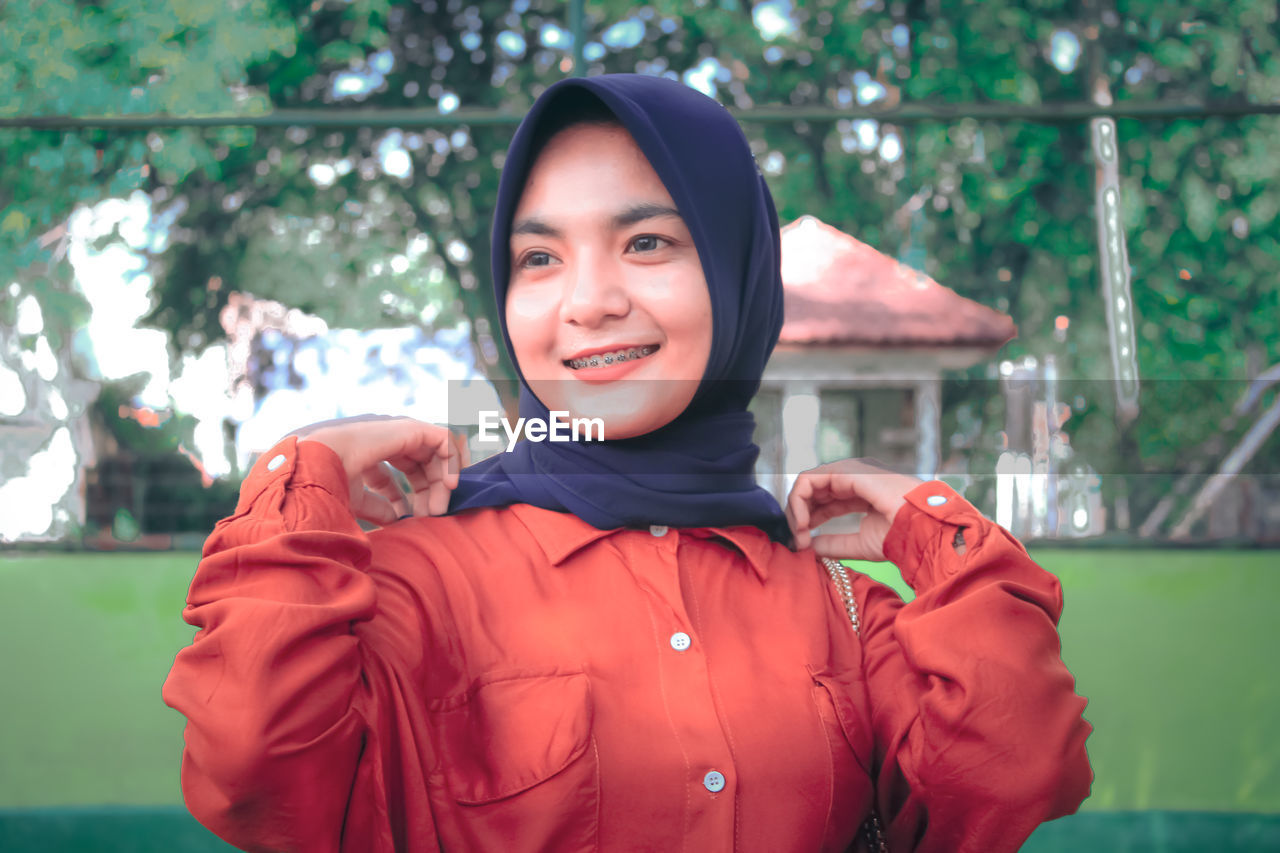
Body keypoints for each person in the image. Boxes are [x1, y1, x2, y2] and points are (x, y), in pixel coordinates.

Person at [163, 74, 1092, 852]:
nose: (590, 302)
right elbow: (254, 774)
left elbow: (1009, 775)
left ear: (736, 276)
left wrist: (936, 535)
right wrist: (304, 470)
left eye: (647, 242)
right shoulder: (409, 588)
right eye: (538, 257)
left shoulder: (840, 610)